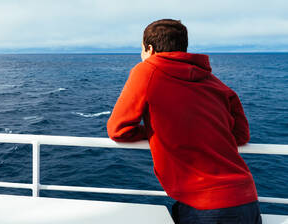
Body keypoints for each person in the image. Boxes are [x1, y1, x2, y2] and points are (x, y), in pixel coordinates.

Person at [107, 19, 261, 224]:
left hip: (203, 204)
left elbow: (117, 130)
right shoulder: (216, 83)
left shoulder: (147, 71)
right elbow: (241, 136)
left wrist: (156, 131)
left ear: (149, 49)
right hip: (246, 197)